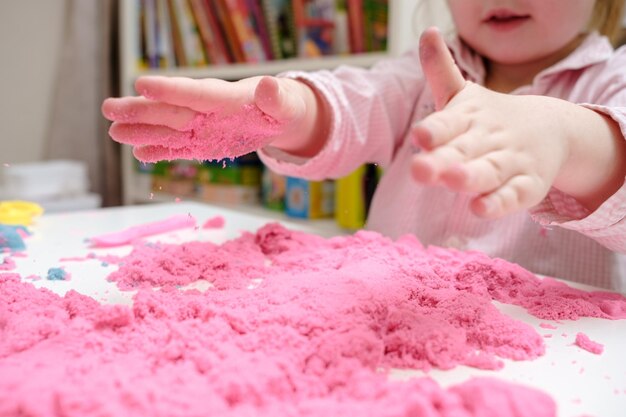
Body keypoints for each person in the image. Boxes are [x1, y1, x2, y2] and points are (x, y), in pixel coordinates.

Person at [102, 0, 626, 291]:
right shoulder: (421, 70)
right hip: (389, 328)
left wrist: (564, 137)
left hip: (556, 364)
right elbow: (357, 101)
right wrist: (286, 109)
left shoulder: (612, 80)